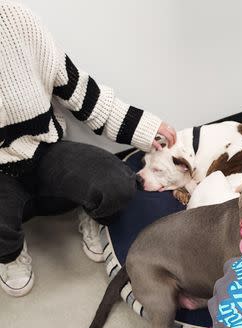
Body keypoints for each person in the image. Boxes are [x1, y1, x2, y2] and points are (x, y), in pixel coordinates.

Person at [0, 3, 177, 297]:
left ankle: (91, 217)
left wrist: (145, 127)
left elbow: (83, 94)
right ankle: (10, 255)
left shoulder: (19, 20)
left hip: (45, 153)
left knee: (117, 182)